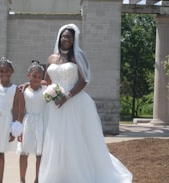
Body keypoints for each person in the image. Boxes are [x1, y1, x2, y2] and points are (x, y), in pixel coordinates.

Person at [38, 23, 133, 183]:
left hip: (74, 102)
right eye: (63, 36)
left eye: (69, 37)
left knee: (74, 139)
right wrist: (37, 87)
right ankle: (58, 175)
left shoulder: (78, 57)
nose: (66, 39)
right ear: (59, 38)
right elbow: (47, 81)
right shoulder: (51, 58)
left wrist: (67, 96)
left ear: (74, 39)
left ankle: (77, 175)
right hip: (55, 106)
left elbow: (83, 81)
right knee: (56, 139)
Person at [16, 61, 46, 183]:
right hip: (27, 123)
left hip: (42, 123)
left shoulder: (46, 90)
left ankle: (37, 179)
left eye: (39, 77)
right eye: (34, 76)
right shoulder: (24, 92)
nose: (37, 79)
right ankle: (22, 179)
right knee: (24, 153)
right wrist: (19, 130)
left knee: (40, 154)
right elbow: (20, 112)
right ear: (28, 75)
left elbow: (48, 83)